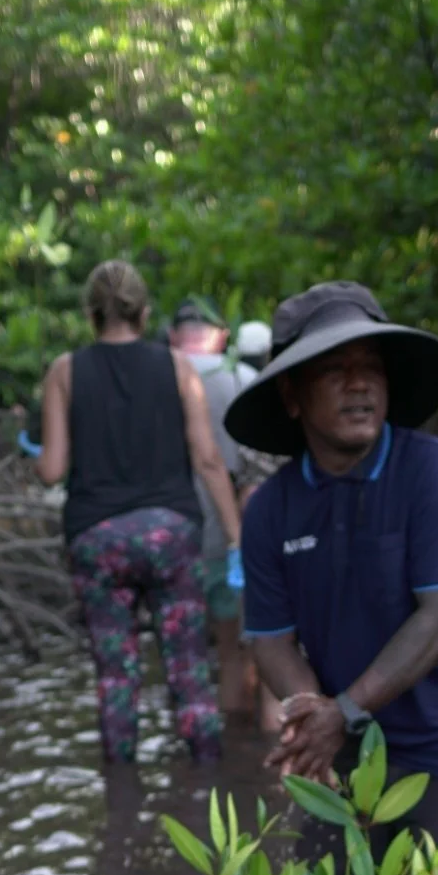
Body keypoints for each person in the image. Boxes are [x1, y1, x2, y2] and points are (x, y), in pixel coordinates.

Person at [225, 281, 438, 875]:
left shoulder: (433, 471)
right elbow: (271, 639)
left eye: (370, 368)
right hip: (346, 742)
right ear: (291, 396)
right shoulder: (270, 510)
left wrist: (345, 712)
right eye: (335, 370)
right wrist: (312, 718)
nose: (359, 383)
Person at [35, 261, 241, 765]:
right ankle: (207, 790)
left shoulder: (65, 370)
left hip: (96, 536)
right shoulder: (177, 367)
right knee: (189, 669)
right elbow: (209, 459)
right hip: (171, 533)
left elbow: (52, 470)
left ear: (91, 314)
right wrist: (236, 537)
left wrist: (34, 447)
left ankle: (121, 811)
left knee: (116, 677)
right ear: (145, 313)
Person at [169, 297, 261, 715]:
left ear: (173, 336)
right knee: (237, 654)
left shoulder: (155, 378)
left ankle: (197, 761)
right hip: (230, 540)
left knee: (185, 662)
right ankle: (243, 761)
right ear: (222, 336)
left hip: (168, 541)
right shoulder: (244, 379)